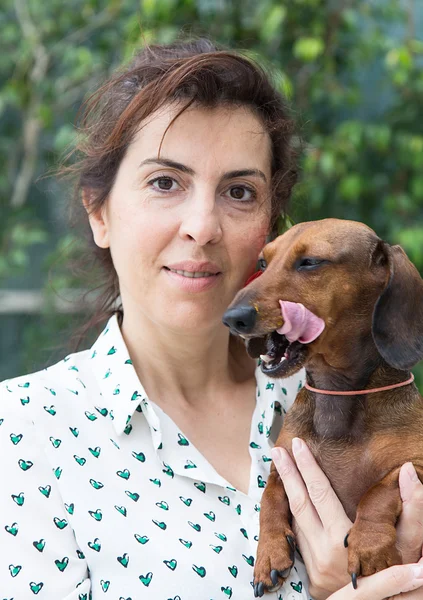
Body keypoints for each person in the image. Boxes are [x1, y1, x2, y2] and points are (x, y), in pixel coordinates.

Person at [1, 38, 423, 600]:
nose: (202, 225)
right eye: (165, 182)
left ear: (272, 226)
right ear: (100, 213)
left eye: (240, 191)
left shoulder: (345, 387)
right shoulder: (25, 436)